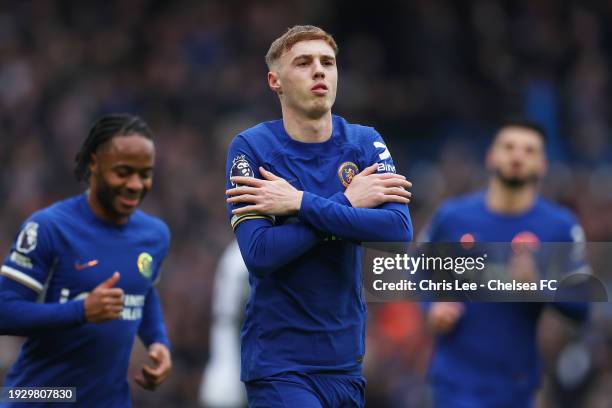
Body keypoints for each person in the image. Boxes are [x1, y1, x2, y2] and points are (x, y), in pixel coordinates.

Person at [224, 25, 413, 407]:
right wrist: (346, 205)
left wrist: (300, 204)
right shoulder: (251, 149)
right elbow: (260, 254)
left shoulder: (364, 142)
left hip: (344, 359)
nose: (319, 70)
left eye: (328, 62)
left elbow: (396, 231)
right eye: (304, 62)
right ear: (275, 80)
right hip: (279, 363)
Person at [0, 114, 172, 407]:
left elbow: (142, 292)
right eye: (123, 171)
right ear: (94, 163)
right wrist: (80, 311)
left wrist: (158, 342)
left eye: (144, 174)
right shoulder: (49, 228)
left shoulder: (154, 235)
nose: (135, 184)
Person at [420, 119, 590, 408]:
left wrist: (539, 286)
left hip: (517, 384)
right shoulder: (453, 217)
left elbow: (582, 304)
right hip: (455, 380)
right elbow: (418, 266)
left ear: (542, 164)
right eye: (509, 146)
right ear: (491, 156)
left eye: (529, 150)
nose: (517, 156)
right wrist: (430, 305)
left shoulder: (560, 227)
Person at [199, 240, 248, 408]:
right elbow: (233, 315)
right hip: (234, 357)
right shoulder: (241, 256)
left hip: (230, 366)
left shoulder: (237, 252)